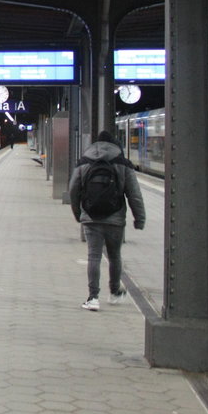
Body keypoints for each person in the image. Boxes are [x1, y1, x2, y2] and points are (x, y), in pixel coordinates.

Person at [68, 130, 146, 311]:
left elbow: (73, 190)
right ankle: (114, 293)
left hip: (90, 216)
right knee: (115, 256)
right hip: (115, 217)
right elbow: (134, 194)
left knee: (93, 256)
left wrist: (77, 213)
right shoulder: (122, 163)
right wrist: (139, 219)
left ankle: (93, 297)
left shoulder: (85, 161)